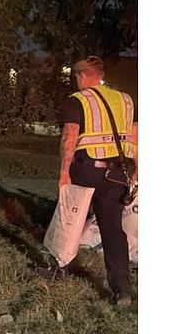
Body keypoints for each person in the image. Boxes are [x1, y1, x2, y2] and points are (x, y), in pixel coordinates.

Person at [58, 55, 137, 308]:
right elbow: (135, 136)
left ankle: (59, 267)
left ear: (81, 76)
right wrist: (137, 172)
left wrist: (64, 172)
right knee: (113, 228)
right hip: (118, 173)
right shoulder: (125, 100)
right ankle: (121, 288)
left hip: (87, 170)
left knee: (70, 217)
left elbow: (69, 139)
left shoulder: (77, 100)